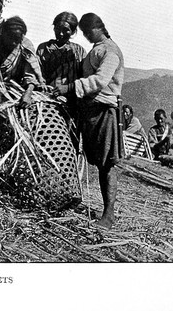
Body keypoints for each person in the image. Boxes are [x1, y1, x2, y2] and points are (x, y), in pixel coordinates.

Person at [53, 13, 124, 229]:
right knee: (99, 161)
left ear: (96, 29)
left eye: (85, 32)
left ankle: (109, 215)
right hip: (91, 111)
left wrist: (70, 88)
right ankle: (106, 211)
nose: (84, 36)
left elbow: (101, 80)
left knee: (107, 163)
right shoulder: (96, 49)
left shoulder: (109, 51)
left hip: (104, 111)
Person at [0, 16, 46, 171]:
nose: (14, 43)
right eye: (11, 39)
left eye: (17, 39)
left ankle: (13, 171)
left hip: (17, 95)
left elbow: (30, 73)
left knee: (16, 136)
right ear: (4, 34)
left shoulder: (25, 45)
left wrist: (28, 92)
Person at [36, 11, 86, 112]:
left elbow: (84, 77)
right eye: (58, 29)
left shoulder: (79, 51)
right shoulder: (43, 49)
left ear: (73, 31)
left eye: (66, 30)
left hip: (73, 101)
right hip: (48, 99)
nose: (61, 33)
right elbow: (38, 73)